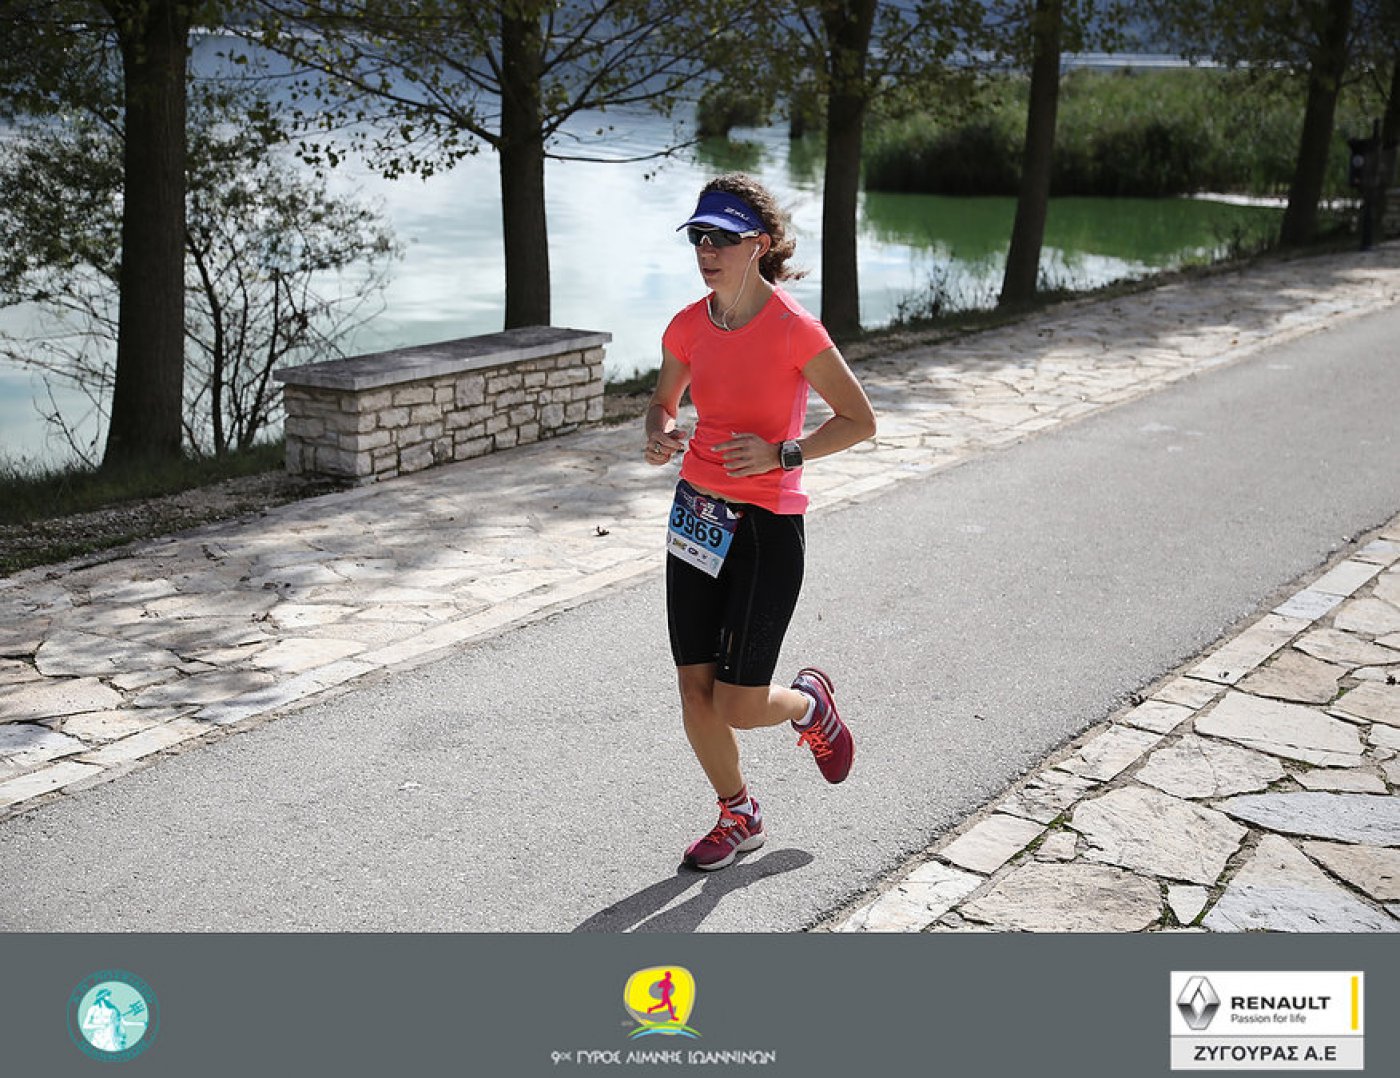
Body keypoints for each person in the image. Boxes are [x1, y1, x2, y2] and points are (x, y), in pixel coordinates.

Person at [644, 172, 877, 872]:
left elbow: (859, 420)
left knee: (740, 705)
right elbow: (662, 402)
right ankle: (738, 813)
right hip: (697, 517)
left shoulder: (794, 330)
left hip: (767, 527)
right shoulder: (688, 325)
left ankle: (809, 705)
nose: (707, 250)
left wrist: (784, 453)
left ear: (761, 245)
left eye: (723, 237)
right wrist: (659, 431)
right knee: (695, 691)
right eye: (699, 236)